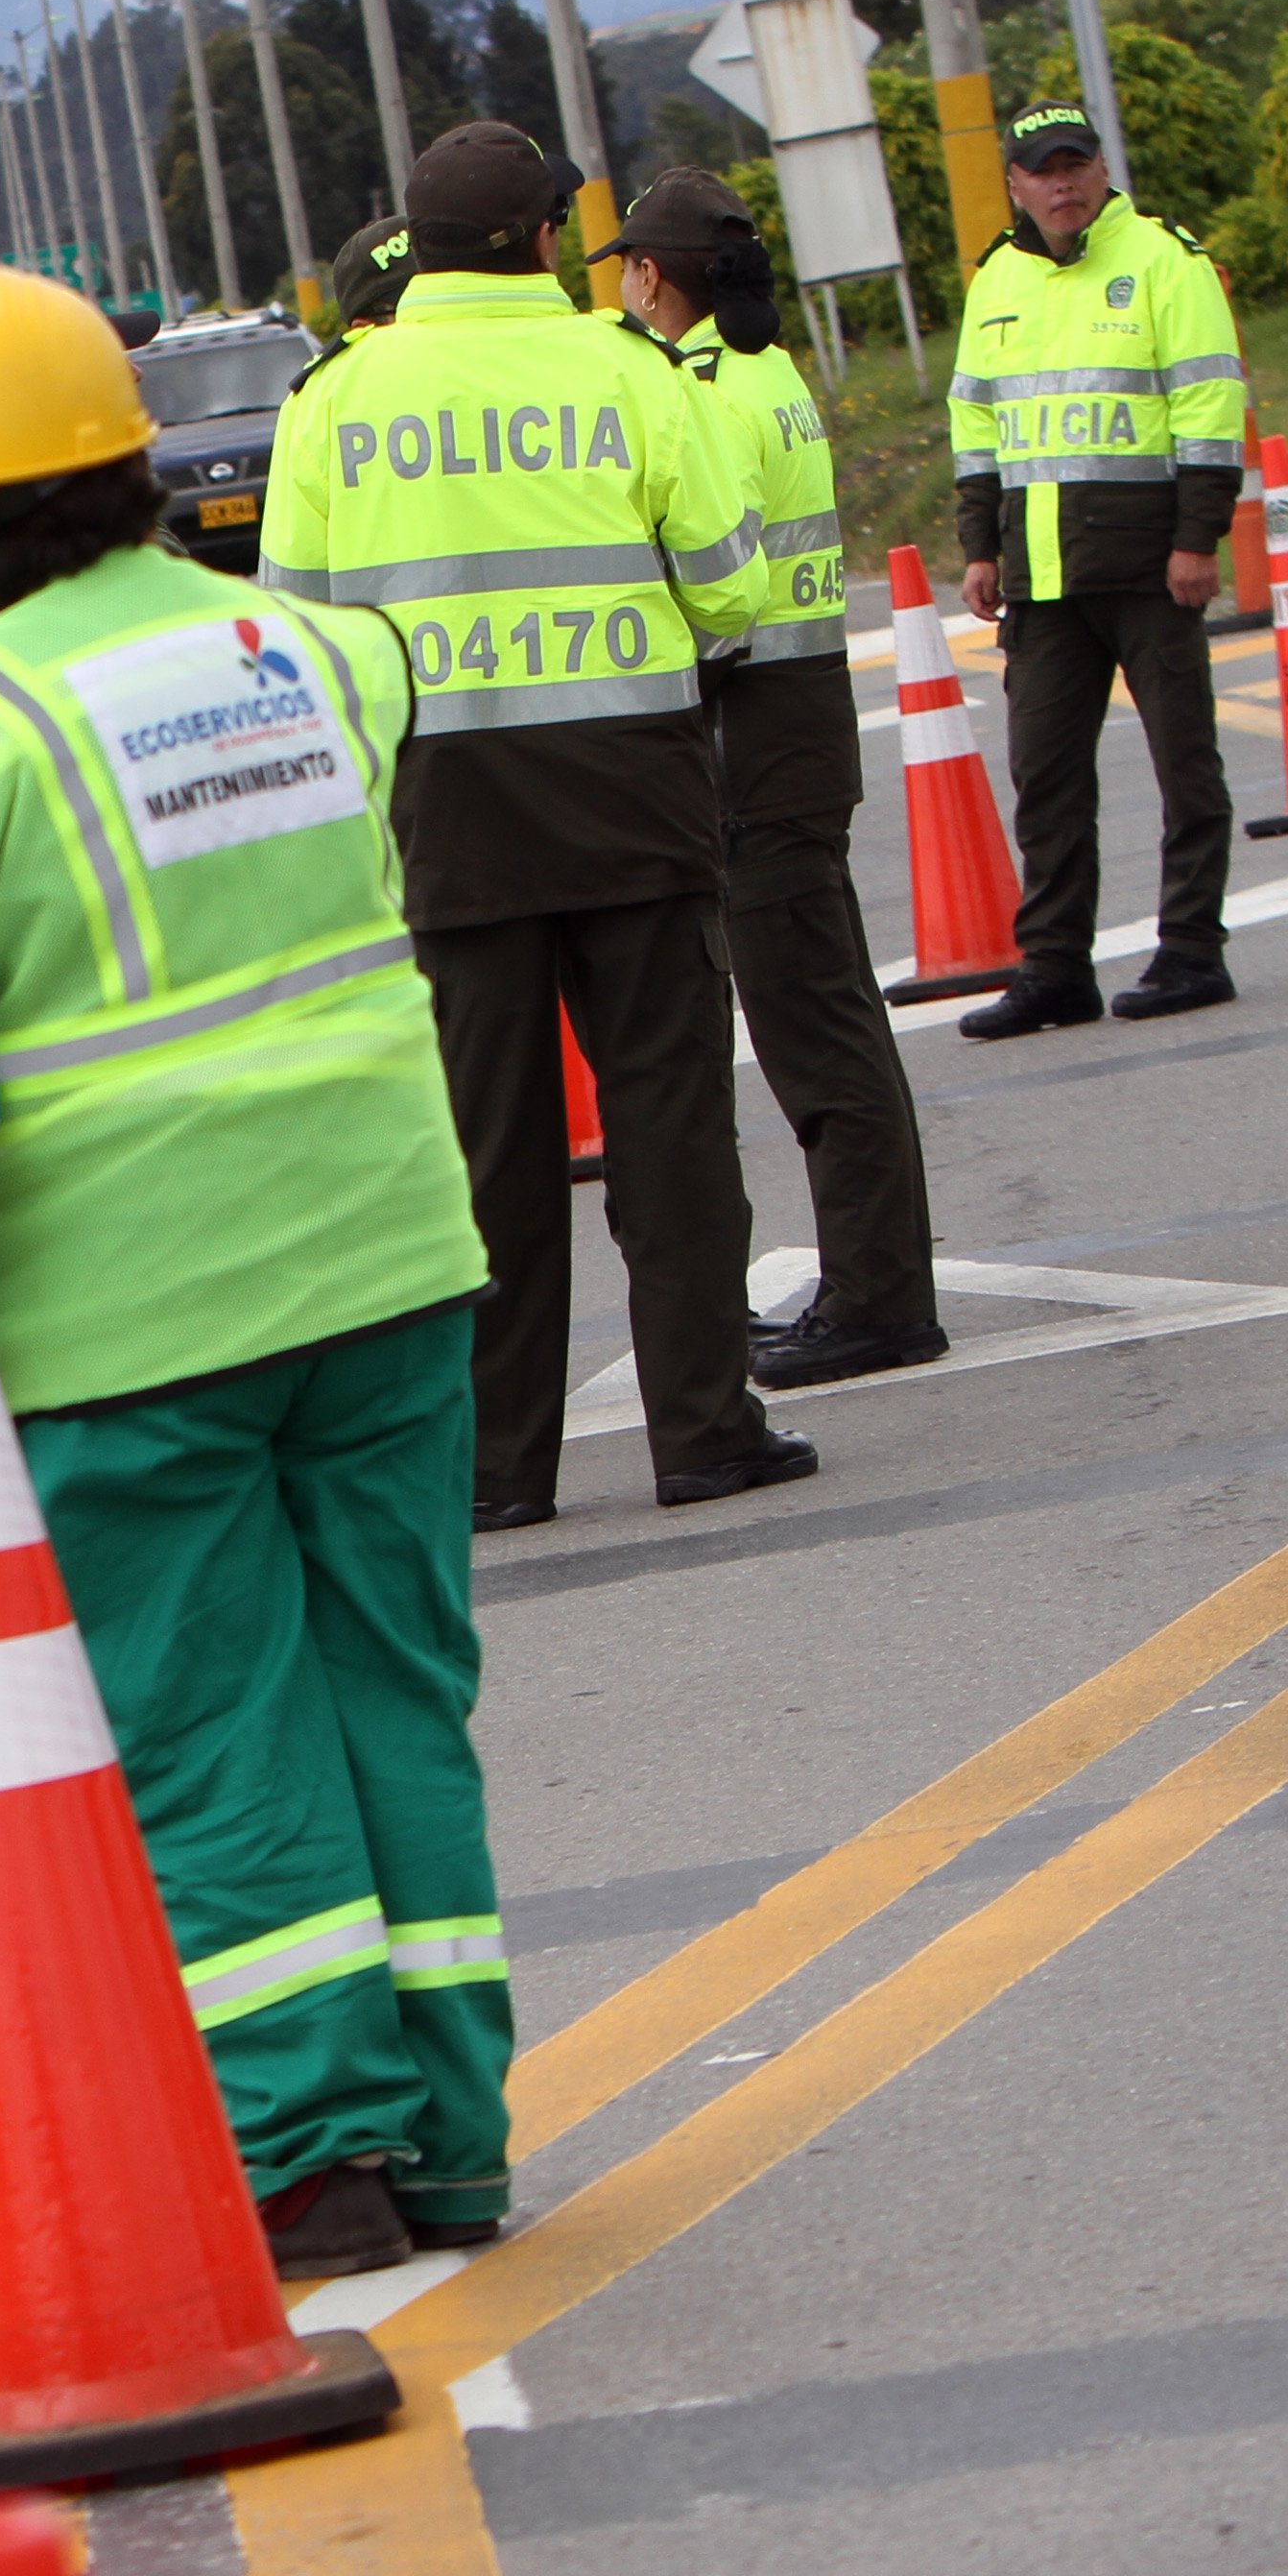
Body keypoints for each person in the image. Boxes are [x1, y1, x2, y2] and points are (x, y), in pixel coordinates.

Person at [0, 263, 511, 2277]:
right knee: (395, 1699)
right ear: (136, 471)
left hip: (124, 1336)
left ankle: (309, 2157)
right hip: (388, 1267)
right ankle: (452, 2140)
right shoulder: (318, 654)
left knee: (211, 1734)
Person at [262, 119, 811, 1529]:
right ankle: (703, 1429)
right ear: (548, 239)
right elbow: (735, 593)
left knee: (486, 1156)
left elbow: (299, 640)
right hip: (633, 796)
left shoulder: (335, 400)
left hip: (446, 816)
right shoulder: (623, 372)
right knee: (670, 1129)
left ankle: (503, 1467)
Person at [598, 169, 945, 1387]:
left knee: (815, 1028)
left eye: (628, 271)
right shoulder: (766, 371)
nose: (624, 290)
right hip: (792, 723)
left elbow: (718, 584)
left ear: (652, 276)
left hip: (756, 729)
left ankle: (880, 1297)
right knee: (828, 1011)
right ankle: (878, 1279)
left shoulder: (708, 397)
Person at [947, 102, 1251, 1036]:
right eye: (1044, 169)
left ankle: (1193, 949)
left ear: (1103, 169)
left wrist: (1199, 538)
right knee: (1045, 779)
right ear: (1015, 183)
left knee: (1184, 767)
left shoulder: (1165, 260)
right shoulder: (995, 278)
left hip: (1150, 567)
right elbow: (976, 425)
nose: (1063, 183)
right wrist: (979, 547)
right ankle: (1054, 969)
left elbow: (1208, 400)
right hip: (1039, 574)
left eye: (1077, 164)